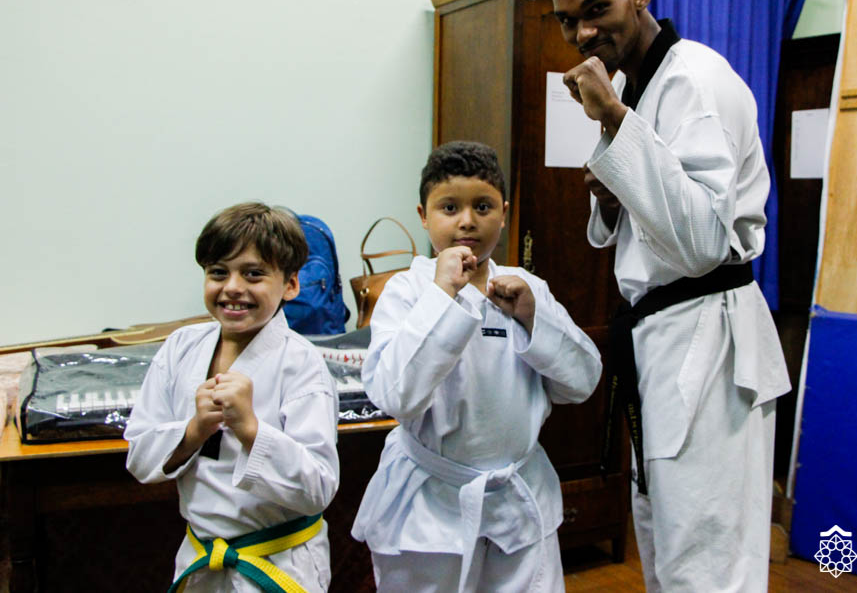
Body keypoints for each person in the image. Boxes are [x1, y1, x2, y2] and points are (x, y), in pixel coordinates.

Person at [551, 0, 792, 592]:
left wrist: (615, 121)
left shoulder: (694, 80)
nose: (583, 33)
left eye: (596, 9)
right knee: (666, 538)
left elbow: (704, 239)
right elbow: (632, 225)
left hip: (707, 336)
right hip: (662, 336)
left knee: (706, 556)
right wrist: (612, 190)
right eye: (568, 21)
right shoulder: (638, 85)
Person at [351, 141, 602, 592]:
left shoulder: (527, 289)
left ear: (503, 214)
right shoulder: (407, 291)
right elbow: (395, 396)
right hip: (429, 509)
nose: (467, 221)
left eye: (482, 207)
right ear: (423, 215)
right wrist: (442, 296)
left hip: (519, 501)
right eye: (449, 207)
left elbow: (582, 381)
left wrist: (534, 319)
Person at [125, 202, 340, 592]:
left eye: (254, 274)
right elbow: (139, 459)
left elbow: (319, 488)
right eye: (218, 272)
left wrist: (251, 430)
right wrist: (195, 430)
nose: (233, 287)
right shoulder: (181, 348)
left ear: (291, 285)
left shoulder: (302, 364)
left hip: (280, 562)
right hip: (201, 558)